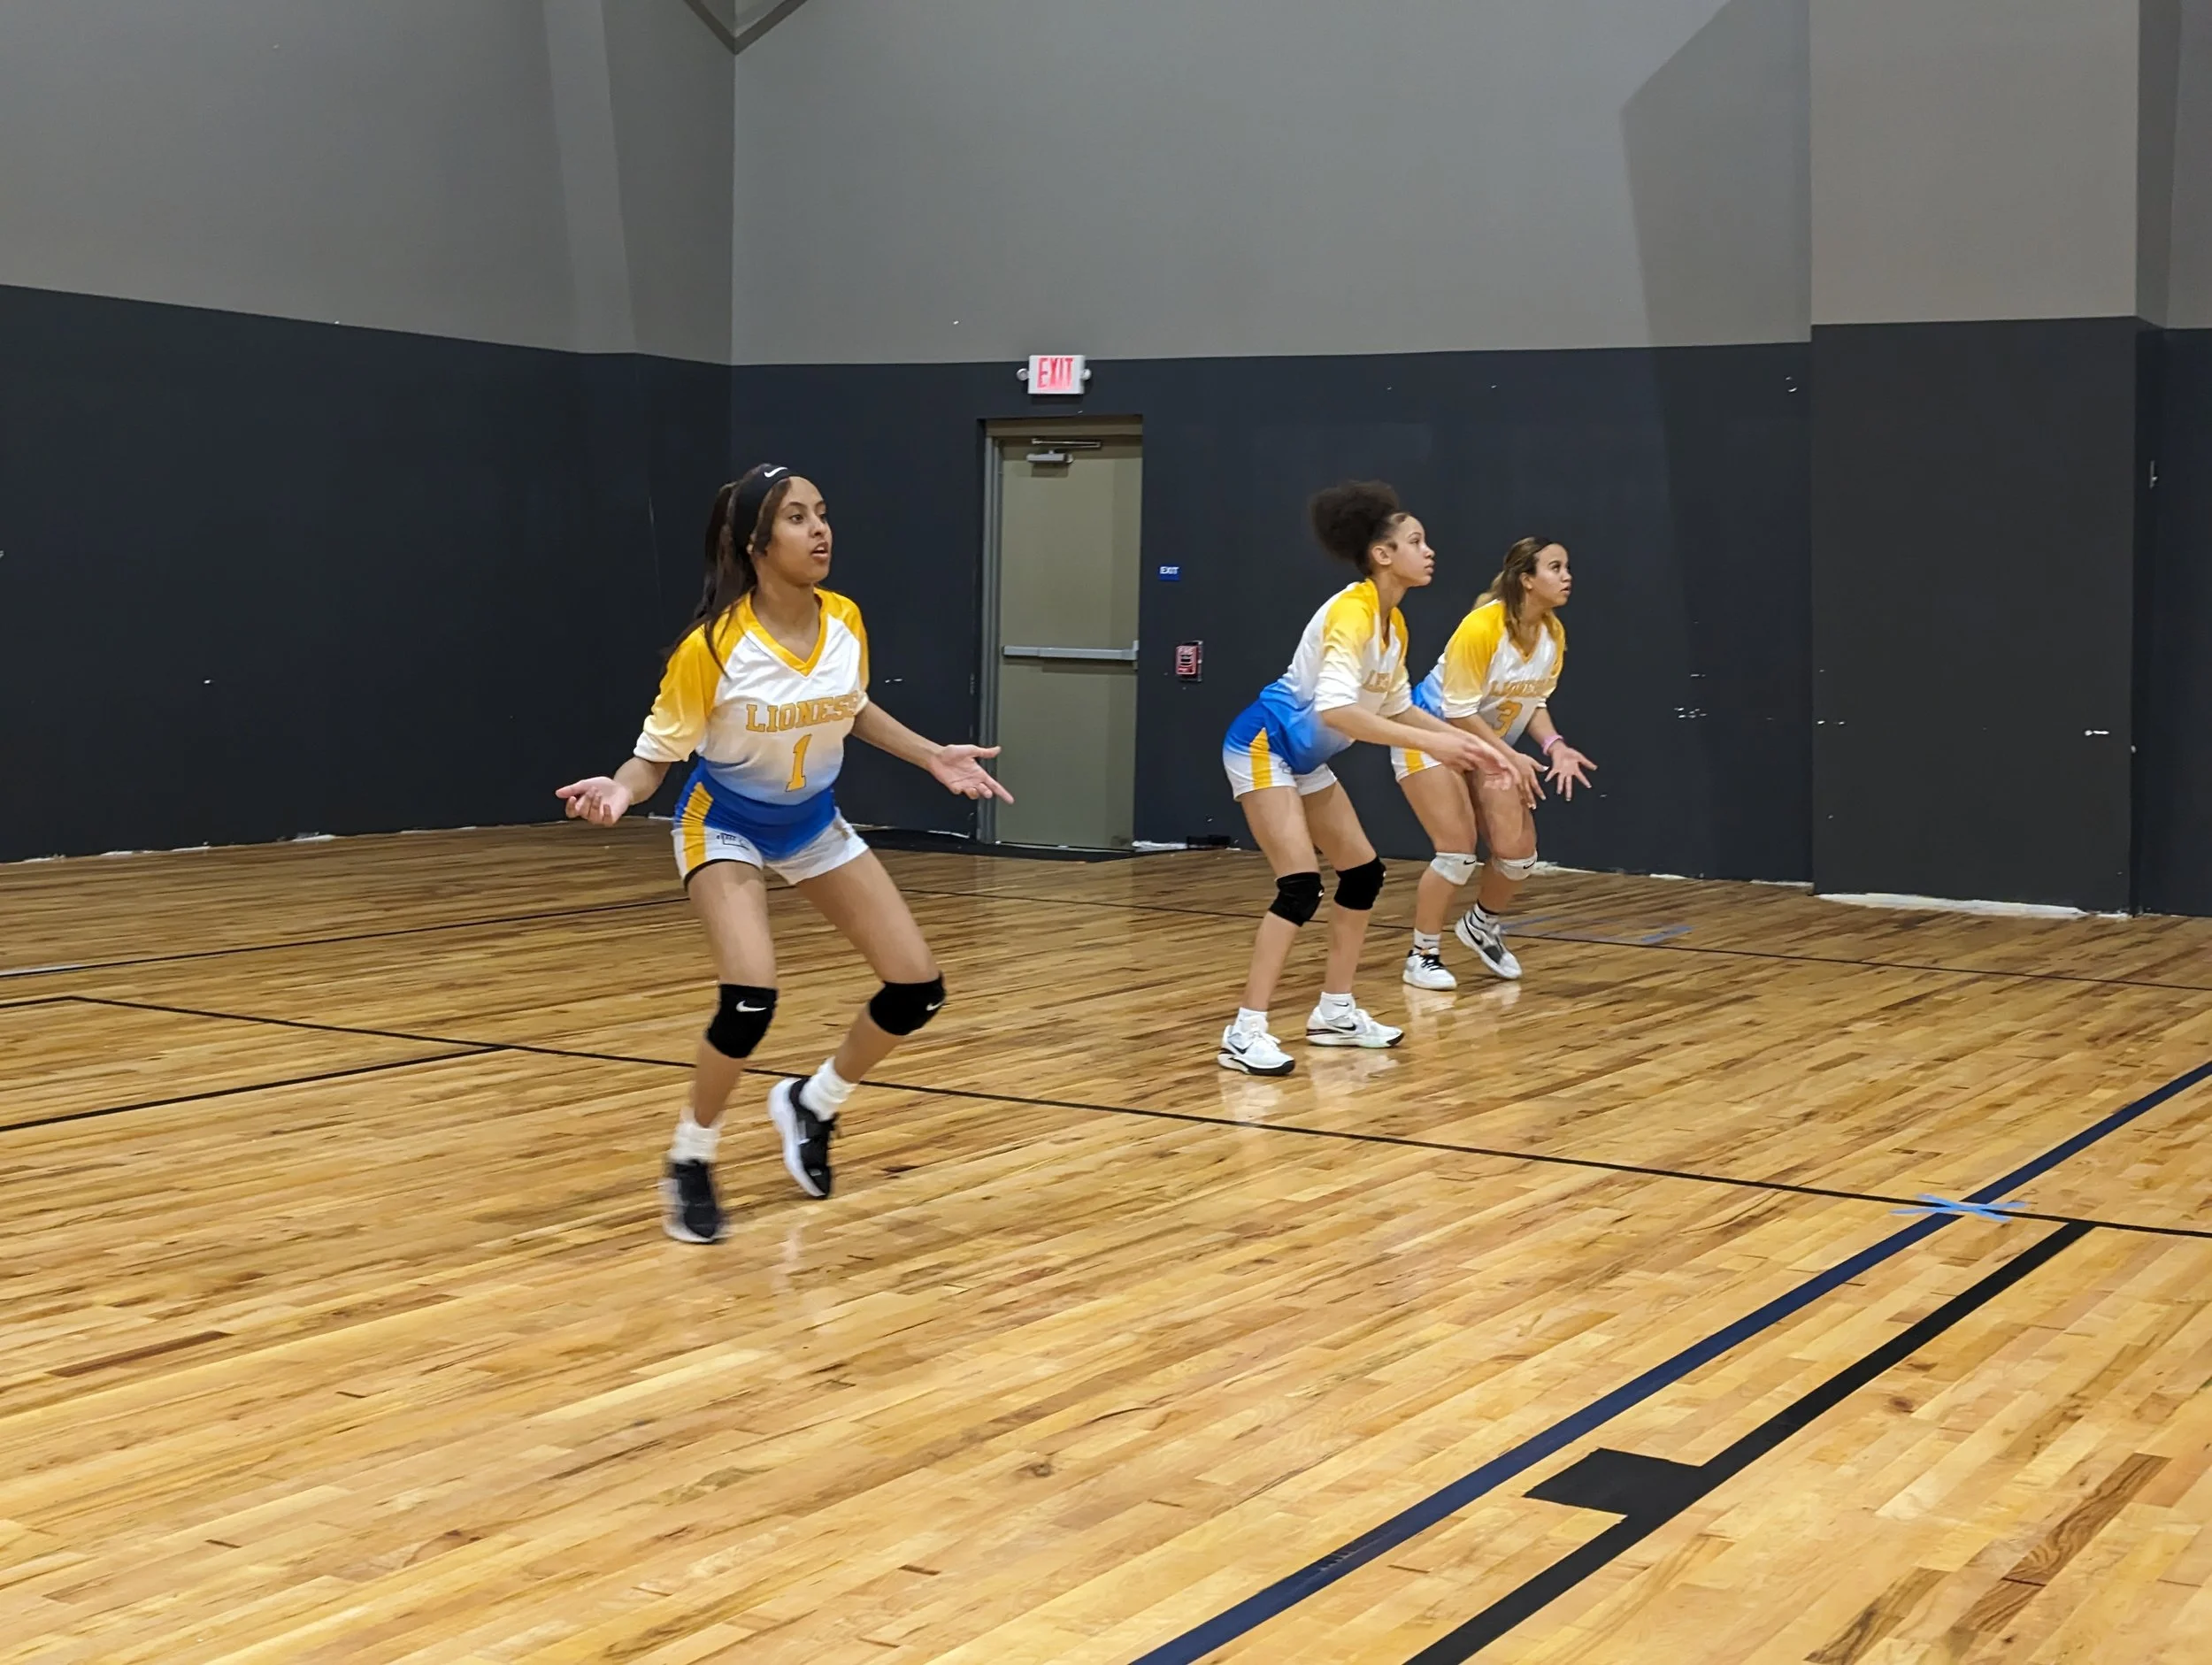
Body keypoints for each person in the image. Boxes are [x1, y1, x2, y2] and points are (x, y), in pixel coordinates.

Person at [557, 464, 1012, 1244]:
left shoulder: (845, 619)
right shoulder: (713, 648)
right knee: (750, 999)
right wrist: (621, 792)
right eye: (798, 518)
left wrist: (931, 754)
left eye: (822, 513)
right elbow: (654, 758)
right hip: (725, 823)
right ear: (755, 544)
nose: (820, 530)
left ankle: (815, 1103)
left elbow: (853, 707)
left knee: (917, 989)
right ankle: (691, 1159)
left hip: (812, 824)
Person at [1215, 481, 1526, 1075]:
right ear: (1383, 555)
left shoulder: (1394, 625)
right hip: (1262, 746)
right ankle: (1244, 1029)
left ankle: (1335, 1010)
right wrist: (1435, 741)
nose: (1429, 550)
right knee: (1300, 886)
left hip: (1302, 760)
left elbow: (1397, 707)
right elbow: (1337, 711)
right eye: (1416, 541)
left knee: (1362, 873)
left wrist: (1469, 743)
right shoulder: (1352, 613)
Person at [1393, 537, 1594, 987]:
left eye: (1567, 567)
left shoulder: (1552, 634)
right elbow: (1459, 712)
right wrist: (1508, 756)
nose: (1567, 577)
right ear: (1527, 579)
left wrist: (1555, 746)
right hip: (1430, 735)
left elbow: (1532, 702)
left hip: (1485, 745)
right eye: (1555, 568)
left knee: (1519, 854)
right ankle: (1422, 953)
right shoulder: (1482, 627)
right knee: (1456, 853)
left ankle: (1480, 924)